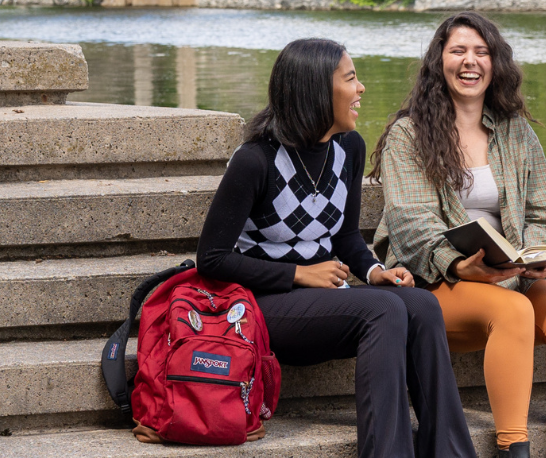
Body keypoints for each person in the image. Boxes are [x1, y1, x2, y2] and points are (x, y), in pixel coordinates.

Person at [196, 38, 475, 458]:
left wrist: (376, 271)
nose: (361, 88)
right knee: (383, 308)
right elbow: (212, 260)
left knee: (418, 303)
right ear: (316, 91)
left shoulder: (349, 149)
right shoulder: (255, 160)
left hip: (326, 303)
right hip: (263, 306)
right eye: (350, 79)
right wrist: (297, 274)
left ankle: (450, 453)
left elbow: (344, 237)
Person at [372, 12, 546, 458]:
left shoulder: (516, 131)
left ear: (496, 63)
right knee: (513, 309)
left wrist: (534, 252)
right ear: (440, 61)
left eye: (481, 52)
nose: (469, 61)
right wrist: (457, 264)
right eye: (458, 51)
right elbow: (411, 223)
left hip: (509, 275)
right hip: (436, 284)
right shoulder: (408, 134)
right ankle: (513, 448)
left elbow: (543, 210)